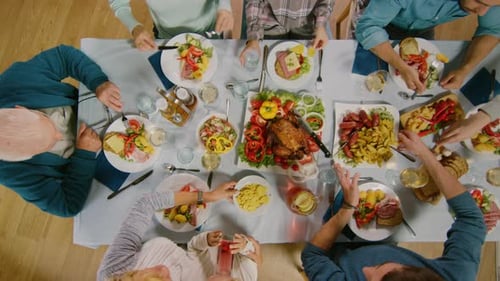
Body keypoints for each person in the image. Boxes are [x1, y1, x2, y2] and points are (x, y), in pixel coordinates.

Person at [302, 130, 487, 281]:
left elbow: (312, 256)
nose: (365, 269)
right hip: (381, 239)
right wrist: (425, 154)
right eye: (379, 266)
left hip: (336, 255)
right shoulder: (458, 275)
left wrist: (348, 208)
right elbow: (472, 219)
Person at [0, 45, 123, 217]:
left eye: (50, 124)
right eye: (51, 144)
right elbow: (67, 206)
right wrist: (84, 155)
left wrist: (98, 83)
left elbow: (64, 56)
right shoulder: (9, 172)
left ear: (21, 109)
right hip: (95, 161)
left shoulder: (13, 82)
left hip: (102, 105)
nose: (59, 135)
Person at [97, 181, 262, 281]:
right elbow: (254, 260)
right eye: (166, 279)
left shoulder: (113, 269)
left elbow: (145, 205)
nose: (163, 269)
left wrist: (207, 197)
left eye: (152, 275)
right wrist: (254, 257)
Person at [355, 0, 500, 93]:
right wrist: (401, 66)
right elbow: (368, 27)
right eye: (479, 2)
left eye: (491, 6)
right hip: (383, 22)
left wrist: (465, 68)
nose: (482, 12)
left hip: (424, 28)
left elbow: (492, 30)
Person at [108, 0, 234, 51]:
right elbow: (118, 3)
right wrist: (135, 28)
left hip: (210, 29)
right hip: (167, 37)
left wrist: (225, 6)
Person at [239, 0, 334, 65]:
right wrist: (254, 38)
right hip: (269, 21)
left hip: (309, 21)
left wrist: (321, 25)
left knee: (313, 64)